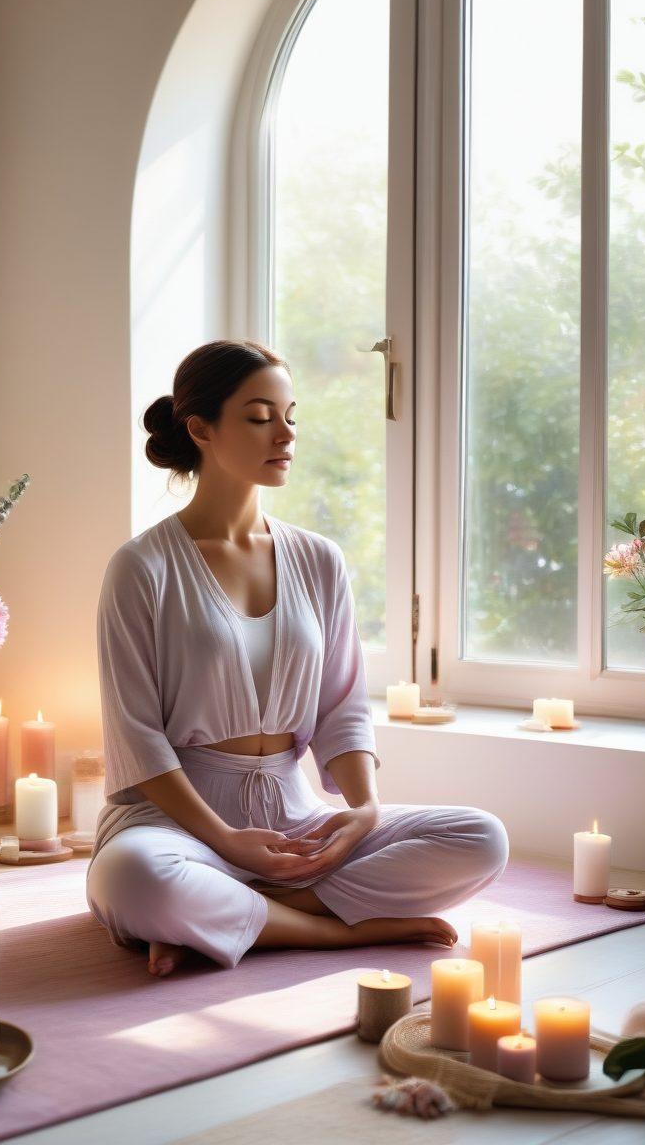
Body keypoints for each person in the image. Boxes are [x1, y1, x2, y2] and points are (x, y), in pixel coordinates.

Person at [87, 340, 508, 977]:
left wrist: (362, 810)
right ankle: (330, 932)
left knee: (481, 837)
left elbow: (342, 706)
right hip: (178, 827)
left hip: (297, 820)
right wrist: (225, 841)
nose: (284, 434)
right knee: (135, 878)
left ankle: (245, 915)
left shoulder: (319, 559)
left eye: (291, 416)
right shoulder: (142, 567)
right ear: (200, 427)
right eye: (260, 417)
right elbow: (136, 738)